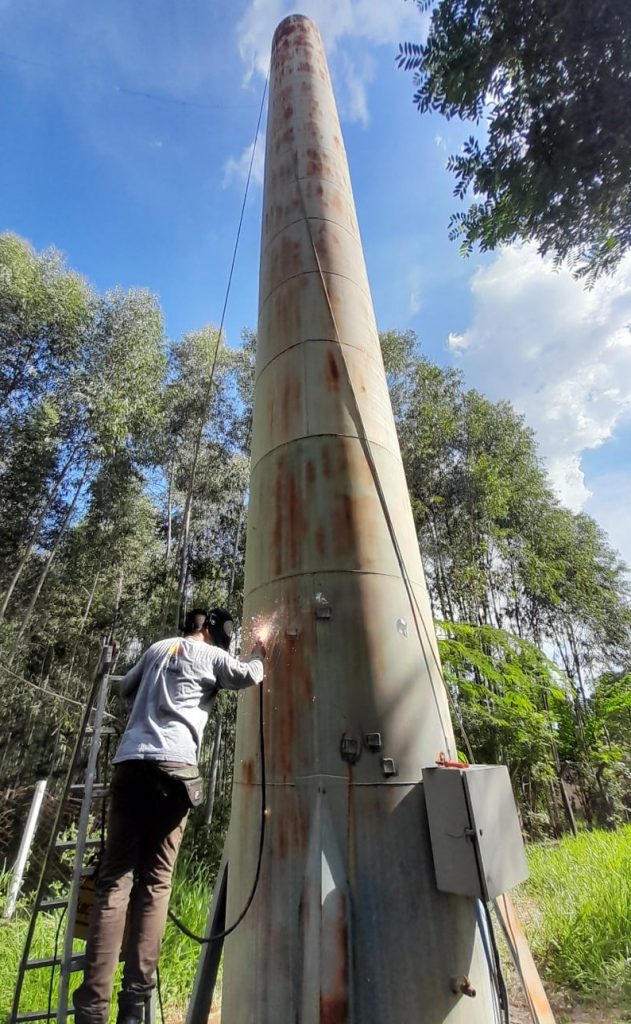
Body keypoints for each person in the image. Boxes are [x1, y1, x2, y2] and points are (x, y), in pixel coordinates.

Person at [73, 608, 265, 1024]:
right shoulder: (213, 657)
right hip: (175, 771)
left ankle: (90, 1010)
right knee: (155, 885)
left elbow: (124, 688)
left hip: (130, 766)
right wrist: (262, 650)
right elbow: (249, 675)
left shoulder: (158, 647)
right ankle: (134, 1006)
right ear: (215, 634)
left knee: (114, 885)